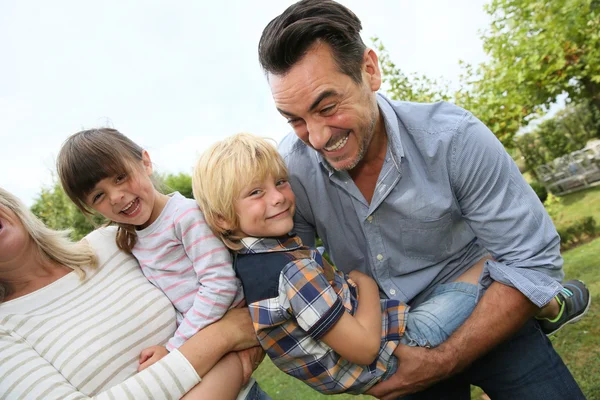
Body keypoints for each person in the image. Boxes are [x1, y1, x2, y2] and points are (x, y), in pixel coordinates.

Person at [258, 1, 591, 398]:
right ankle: (555, 307)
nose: (315, 137)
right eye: (294, 119)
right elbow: (276, 262)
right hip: (399, 347)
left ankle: (550, 307)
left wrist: (446, 358)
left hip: (489, 314)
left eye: (327, 107)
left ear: (369, 70)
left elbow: (531, 261)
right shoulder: (292, 172)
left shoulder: (454, 139)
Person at [191, 133, 579, 396]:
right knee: (490, 261)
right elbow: (363, 347)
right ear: (223, 218)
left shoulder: (252, 262)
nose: (278, 198)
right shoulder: (291, 272)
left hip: (374, 357)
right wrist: (367, 285)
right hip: (399, 347)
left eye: (280, 182)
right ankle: (549, 302)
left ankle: (543, 304)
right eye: (256, 192)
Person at [0, 187, 265, 399]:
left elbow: (216, 283)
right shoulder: (4, 329)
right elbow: (233, 327)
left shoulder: (113, 242)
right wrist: (224, 339)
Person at [55, 128, 260, 400]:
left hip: (222, 336)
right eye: (98, 196)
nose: (116, 196)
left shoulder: (184, 216)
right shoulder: (131, 237)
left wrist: (175, 347)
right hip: (203, 340)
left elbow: (221, 285)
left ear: (146, 163)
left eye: (120, 177)